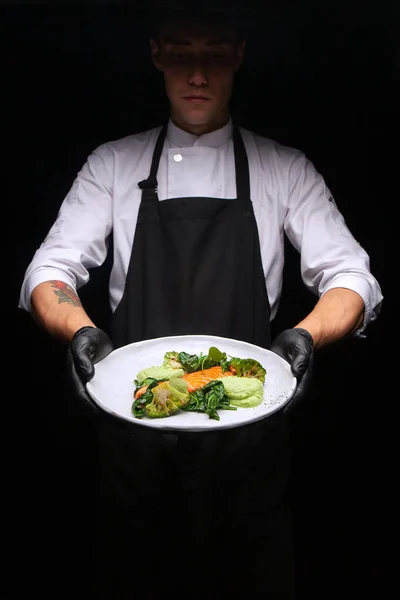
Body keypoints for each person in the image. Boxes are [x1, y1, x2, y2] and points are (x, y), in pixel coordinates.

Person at [18, 7, 383, 599]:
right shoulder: (113, 164)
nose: (197, 74)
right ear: (158, 55)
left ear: (237, 56)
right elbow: (50, 269)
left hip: (247, 439)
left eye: (213, 54)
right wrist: (79, 329)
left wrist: (305, 337)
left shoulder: (282, 169)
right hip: (133, 429)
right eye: (181, 54)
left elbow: (352, 276)